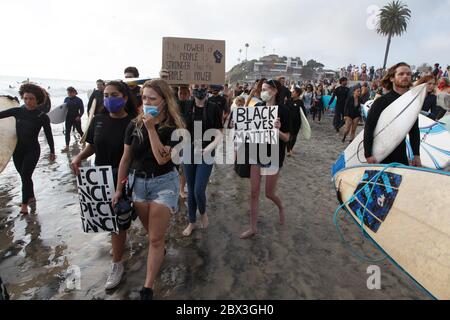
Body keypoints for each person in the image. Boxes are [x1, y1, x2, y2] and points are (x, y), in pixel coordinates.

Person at [113, 79, 185, 300]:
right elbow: (126, 159)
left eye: (152, 98)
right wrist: (118, 189)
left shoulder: (176, 128)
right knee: (152, 233)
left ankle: (148, 287)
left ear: (164, 101)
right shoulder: (133, 125)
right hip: (138, 185)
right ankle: (159, 248)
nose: (146, 102)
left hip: (164, 184)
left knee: (154, 239)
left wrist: (152, 128)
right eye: (144, 98)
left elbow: (163, 159)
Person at [71, 81, 137, 290]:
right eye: (106, 95)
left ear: (125, 97)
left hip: (125, 176)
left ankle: (118, 260)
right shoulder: (98, 120)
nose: (109, 99)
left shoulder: (134, 122)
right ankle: (118, 260)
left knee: (120, 219)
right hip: (100, 176)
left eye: (114, 94)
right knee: (114, 222)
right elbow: (92, 145)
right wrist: (79, 157)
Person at [240, 79, 291, 239]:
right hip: (257, 152)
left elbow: (287, 138)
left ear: (275, 91)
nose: (262, 92)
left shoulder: (283, 110)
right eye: (261, 89)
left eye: (266, 89)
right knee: (253, 192)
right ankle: (253, 227)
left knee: (269, 193)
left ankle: (281, 206)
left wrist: (278, 131)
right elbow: (249, 130)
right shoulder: (258, 107)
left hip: (274, 155)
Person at [0, 84, 55, 214]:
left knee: (25, 175)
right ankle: (31, 196)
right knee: (25, 177)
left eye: (31, 99)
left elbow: (49, 135)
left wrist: (52, 151)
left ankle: (24, 205)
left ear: (37, 100)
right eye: (25, 98)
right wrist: (7, 100)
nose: (28, 101)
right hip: (17, 151)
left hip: (33, 150)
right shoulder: (17, 111)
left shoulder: (42, 116)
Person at [179, 84, 223, 237]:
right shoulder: (185, 106)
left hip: (206, 152)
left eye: (202, 86)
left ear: (207, 88)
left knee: (199, 190)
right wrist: (164, 78)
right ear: (191, 88)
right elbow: (165, 99)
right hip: (188, 151)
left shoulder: (214, 107)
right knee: (190, 190)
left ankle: (203, 212)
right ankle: (192, 221)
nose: (199, 89)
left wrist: (209, 148)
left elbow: (219, 133)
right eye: (196, 86)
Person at [364, 62, 421, 166]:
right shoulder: (381, 102)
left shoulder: (412, 103)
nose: (405, 76)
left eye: (408, 74)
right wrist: (368, 154)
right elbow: (369, 128)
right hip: (380, 154)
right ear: (392, 78)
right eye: (401, 74)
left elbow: (414, 130)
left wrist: (416, 155)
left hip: (401, 155)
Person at [61, 87, 84, 152]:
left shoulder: (79, 100)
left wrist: (79, 116)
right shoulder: (66, 99)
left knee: (79, 130)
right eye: (68, 92)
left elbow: (82, 110)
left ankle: (84, 141)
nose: (69, 94)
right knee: (67, 132)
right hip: (68, 118)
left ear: (74, 92)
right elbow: (63, 109)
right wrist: (61, 117)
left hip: (76, 118)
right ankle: (67, 146)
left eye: (70, 92)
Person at [286, 86, 304, 157]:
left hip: (297, 122)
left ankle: (290, 148)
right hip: (288, 121)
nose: (292, 93)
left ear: (297, 93)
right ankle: (288, 150)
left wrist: (303, 123)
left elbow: (303, 113)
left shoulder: (300, 102)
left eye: (293, 92)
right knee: (288, 136)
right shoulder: (288, 101)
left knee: (294, 136)